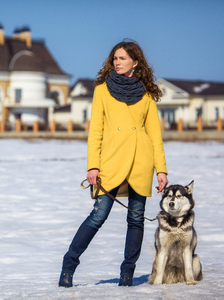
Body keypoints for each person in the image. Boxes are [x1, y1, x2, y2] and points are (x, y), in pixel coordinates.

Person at [59, 40, 169, 288]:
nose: (117, 62)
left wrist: (161, 169)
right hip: (110, 163)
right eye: (115, 58)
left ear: (135, 62)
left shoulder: (147, 94)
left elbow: (155, 135)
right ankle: (68, 265)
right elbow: (95, 131)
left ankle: (127, 274)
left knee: (136, 220)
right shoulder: (102, 90)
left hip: (141, 162)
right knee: (98, 216)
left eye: (122, 58)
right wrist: (93, 166)